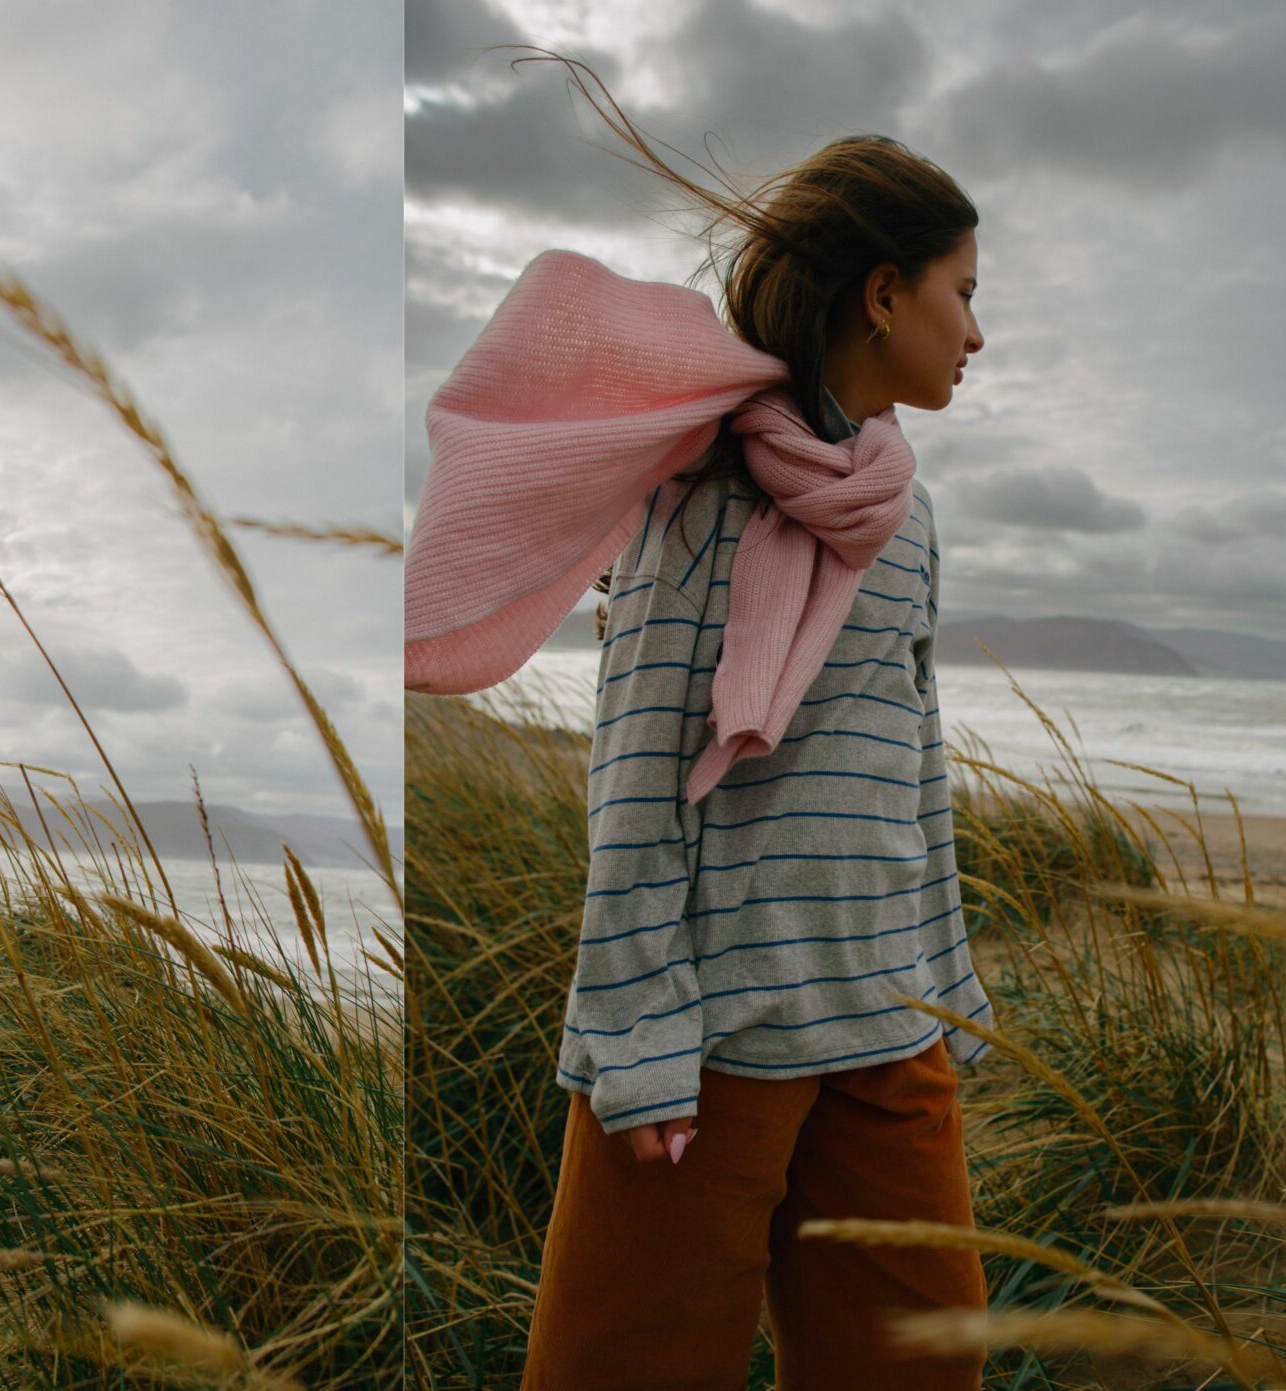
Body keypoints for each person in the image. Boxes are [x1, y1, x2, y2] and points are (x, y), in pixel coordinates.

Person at [404, 57, 991, 1390]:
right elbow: (636, 780)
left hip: (886, 1026)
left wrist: (944, 986)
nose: (975, 330)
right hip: (705, 1041)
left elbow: (919, 755)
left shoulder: (909, 510)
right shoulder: (702, 503)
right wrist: (641, 1032)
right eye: (963, 292)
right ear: (884, 292)